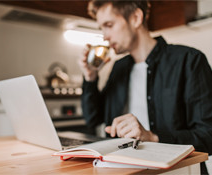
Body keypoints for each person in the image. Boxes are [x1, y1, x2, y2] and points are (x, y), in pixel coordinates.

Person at [78, 1, 212, 174]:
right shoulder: (119, 68)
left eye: (109, 25)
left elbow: (209, 135)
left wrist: (153, 137)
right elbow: (92, 118)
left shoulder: (189, 60)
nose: (105, 36)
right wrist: (90, 78)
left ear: (135, 18)